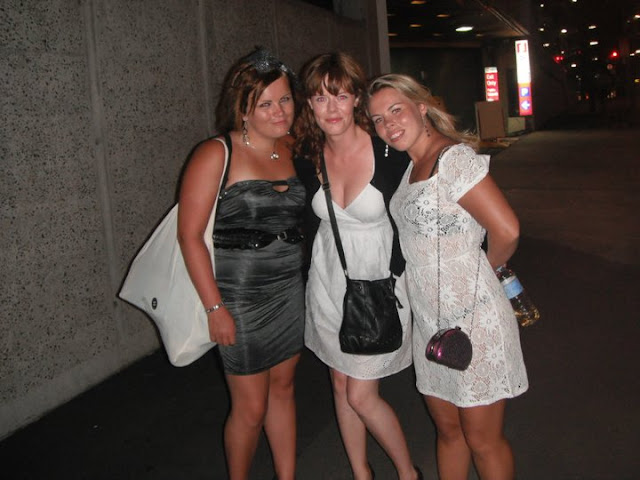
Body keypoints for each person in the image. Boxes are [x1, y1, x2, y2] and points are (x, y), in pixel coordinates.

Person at [367, 73, 529, 480]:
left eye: (396, 110)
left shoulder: (453, 159)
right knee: (449, 431)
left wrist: (480, 273)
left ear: (422, 108)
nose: (388, 124)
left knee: (482, 439)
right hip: (430, 321)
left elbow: (507, 230)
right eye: (378, 119)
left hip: (474, 318)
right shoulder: (410, 168)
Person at [177, 48, 304, 480]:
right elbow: (190, 236)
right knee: (250, 408)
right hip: (240, 297)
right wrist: (215, 307)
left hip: (289, 289)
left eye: (284, 99)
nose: (279, 111)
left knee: (284, 390)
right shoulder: (216, 153)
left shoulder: (292, 147)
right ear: (243, 110)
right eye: (265, 104)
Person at [293, 53, 421, 480]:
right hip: (328, 280)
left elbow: (425, 203)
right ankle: (361, 473)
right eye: (320, 98)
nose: (331, 108)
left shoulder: (389, 151)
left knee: (362, 396)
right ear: (309, 105)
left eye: (341, 96)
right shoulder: (307, 157)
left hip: (378, 283)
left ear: (356, 99)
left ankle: (408, 474)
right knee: (339, 385)